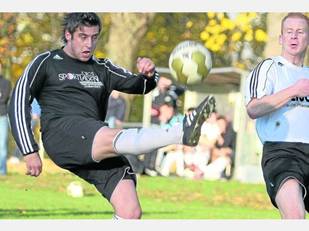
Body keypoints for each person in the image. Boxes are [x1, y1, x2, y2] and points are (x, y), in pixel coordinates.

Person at [8, 13, 216, 219]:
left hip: (94, 140)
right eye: (83, 36)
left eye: (94, 37)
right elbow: (18, 101)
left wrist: (149, 75)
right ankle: (180, 132)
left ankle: (179, 133)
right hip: (62, 134)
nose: (89, 43)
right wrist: (29, 150)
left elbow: (139, 85)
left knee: (130, 211)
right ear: (68, 34)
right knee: (109, 134)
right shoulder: (46, 62)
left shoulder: (102, 67)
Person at [245, 13, 309, 219]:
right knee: (295, 217)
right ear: (281, 38)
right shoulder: (269, 68)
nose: (294, 37)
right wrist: (293, 90)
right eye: (289, 32)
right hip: (282, 153)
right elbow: (253, 108)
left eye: (300, 32)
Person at [0, 63, 11, 175]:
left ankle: (2, 171)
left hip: (2, 117)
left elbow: (3, 99)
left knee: (2, 145)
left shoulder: (6, 83)